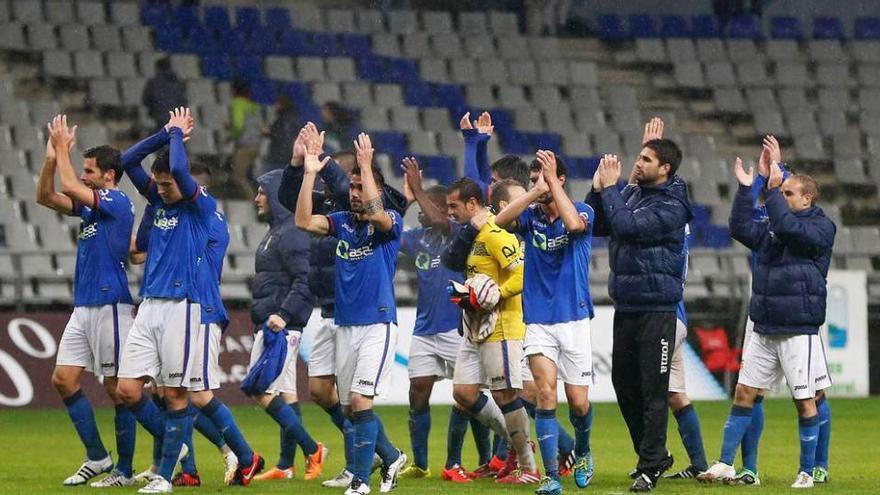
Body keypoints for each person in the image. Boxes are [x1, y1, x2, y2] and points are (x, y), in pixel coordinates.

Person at [116, 107, 263, 493]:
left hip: (188, 307)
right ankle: (182, 449)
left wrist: (179, 137)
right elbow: (128, 160)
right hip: (150, 304)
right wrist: (165, 133)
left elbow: (180, 174)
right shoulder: (163, 203)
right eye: (159, 184)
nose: (160, 189)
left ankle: (170, 474)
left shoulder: (203, 210)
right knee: (128, 389)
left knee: (184, 393)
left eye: (167, 184)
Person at [278, 122, 408, 488]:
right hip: (345, 324)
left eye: (359, 187)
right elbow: (303, 220)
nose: (353, 193)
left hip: (377, 324)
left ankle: (361, 481)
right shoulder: (343, 223)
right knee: (350, 407)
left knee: (360, 401)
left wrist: (366, 167)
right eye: (350, 187)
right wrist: (309, 174)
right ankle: (392, 459)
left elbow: (377, 212)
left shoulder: (389, 222)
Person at [699, 140, 836, 489]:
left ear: (807, 199)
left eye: (790, 193)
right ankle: (726, 463)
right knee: (745, 393)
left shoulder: (820, 228)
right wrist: (749, 188)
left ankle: (810, 469)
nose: (782, 198)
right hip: (763, 324)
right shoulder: (775, 224)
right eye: (782, 192)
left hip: (797, 327)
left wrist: (772, 188)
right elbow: (741, 227)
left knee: (808, 398)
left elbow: (790, 229)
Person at [586, 137, 693, 492]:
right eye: (640, 155)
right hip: (628, 304)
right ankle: (655, 456)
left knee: (652, 390)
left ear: (665, 169)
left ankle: (650, 465)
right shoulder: (632, 194)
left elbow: (628, 228)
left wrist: (614, 188)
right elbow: (600, 224)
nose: (638, 162)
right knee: (624, 386)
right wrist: (597, 188)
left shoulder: (672, 204)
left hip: (657, 308)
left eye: (646, 158)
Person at [35, 116, 136, 487]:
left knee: (117, 390)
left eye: (89, 170)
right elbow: (45, 197)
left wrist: (62, 150)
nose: (83, 174)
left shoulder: (117, 201)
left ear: (109, 175)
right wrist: (50, 158)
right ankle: (97, 457)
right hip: (85, 306)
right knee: (63, 380)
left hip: (111, 304)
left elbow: (68, 185)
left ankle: (129, 469)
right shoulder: (93, 209)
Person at [495, 151, 596, 494]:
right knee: (545, 394)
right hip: (538, 320)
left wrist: (551, 184)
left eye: (543, 175)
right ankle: (552, 475)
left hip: (575, 319)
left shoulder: (582, 210)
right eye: (534, 176)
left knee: (579, 403)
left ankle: (582, 450)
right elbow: (499, 222)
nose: (538, 181)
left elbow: (573, 226)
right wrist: (535, 193)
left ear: (561, 179)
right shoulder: (531, 217)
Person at [395, 157, 492, 483]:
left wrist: (419, 189)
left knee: (470, 396)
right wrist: (407, 197)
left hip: (456, 328)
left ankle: (485, 459)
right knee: (417, 392)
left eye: (430, 207)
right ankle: (421, 463)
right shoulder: (418, 237)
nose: (423, 212)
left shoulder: (458, 234)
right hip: (424, 330)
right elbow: (391, 231)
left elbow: (440, 219)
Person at [442, 177, 540, 485]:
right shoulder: (471, 236)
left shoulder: (497, 235)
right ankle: (518, 441)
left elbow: (523, 272)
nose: (450, 212)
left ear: (473, 205)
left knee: (505, 393)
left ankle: (528, 469)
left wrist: (497, 292)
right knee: (463, 392)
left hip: (501, 325)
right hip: (475, 326)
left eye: (454, 206)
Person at [248, 167, 327, 482]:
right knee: (287, 394)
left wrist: (283, 313)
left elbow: (305, 280)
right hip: (277, 322)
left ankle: (312, 449)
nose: (257, 198)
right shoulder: (277, 231)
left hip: (280, 326)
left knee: (258, 388)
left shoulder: (291, 232)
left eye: (262, 192)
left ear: (278, 196)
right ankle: (285, 464)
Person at [228, 79, 262, 198]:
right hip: (256, 145)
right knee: (250, 175)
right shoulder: (253, 105)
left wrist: (230, 135)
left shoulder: (237, 103)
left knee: (238, 176)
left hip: (245, 146)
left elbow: (238, 125)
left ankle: (254, 202)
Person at [141, 57, 187, 132]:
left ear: (157, 68)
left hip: (160, 118)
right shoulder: (178, 83)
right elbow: (184, 101)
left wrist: (153, 110)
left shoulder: (153, 83)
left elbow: (145, 100)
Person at [262, 95, 300, 174]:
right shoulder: (294, 117)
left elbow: (282, 135)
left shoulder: (282, 119)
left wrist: (270, 132)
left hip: (278, 155)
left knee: (270, 177)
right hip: (288, 154)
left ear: (281, 105)